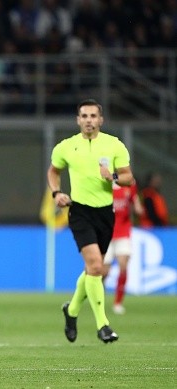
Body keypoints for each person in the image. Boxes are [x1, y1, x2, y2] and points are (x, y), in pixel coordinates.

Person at [47, 98, 135, 344]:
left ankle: (72, 310)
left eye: (93, 116)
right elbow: (53, 171)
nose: (88, 120)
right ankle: (103, 325)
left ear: (100, 120)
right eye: (84, 116)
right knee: (97, 266)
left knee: (93, 270)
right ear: (78, 120)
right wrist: (57, 193)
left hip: (106, 213)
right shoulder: (66, 147)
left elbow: (128, 177)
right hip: (80, 211)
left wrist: (113, 175)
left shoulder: (113, 145)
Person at [103, 182, 143, 315]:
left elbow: (135, 199)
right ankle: (97, 298)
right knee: (104, 272)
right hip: (106, 233)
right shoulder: (104, 183)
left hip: (123, 232)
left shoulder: (129, 184)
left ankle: (118, 303)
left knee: (123, 266)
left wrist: (138, 207)